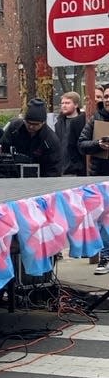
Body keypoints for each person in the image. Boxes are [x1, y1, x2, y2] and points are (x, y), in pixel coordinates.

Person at [79, 84, 109, 273]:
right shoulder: (95, 119)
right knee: (103, 219)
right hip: (100, 176)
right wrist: (98, 144)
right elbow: (81, 144)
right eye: (106, 96)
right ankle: (105, 257)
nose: (107, 99)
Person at [0, 97, 60, 176]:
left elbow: (54, 169)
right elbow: (3, 150)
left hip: (40, 178)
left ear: (43, 122)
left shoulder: (50, 140)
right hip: (13, 175)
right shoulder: (14, 129)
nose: (31, 127)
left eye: (35, 124)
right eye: (28, 123)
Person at [54, 91, 86, 176]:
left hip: (77, 170)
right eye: (62, 103)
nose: (64, 105)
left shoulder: (83, 122)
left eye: (67, 103)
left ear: (76, 105)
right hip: (61, 170)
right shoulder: (58, 124)